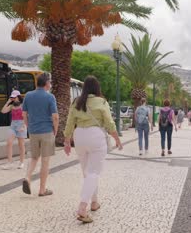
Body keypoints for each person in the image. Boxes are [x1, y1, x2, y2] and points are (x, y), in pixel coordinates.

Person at [63, 76, 122, 224]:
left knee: (87, 173)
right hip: (95, 136)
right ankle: (83, 208)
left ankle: (94, 202)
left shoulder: (76, 102)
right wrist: (117, 138)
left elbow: (70, 122)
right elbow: (109, 122)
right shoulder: (101, 101)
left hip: (79, 137)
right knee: (93, 173)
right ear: (97, 88)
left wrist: (66, 140)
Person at [21, 73, 59, 197]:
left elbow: (24, 115)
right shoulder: (50, 97)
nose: (51, 85)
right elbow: (55, 117)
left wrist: (29, 127)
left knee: (34, 158)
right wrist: (56, 130)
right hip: (47, 131)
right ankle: (42, 190)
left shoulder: (28, 95)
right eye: (50, 82)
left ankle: (27, 177)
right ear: (47, 84)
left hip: (33, 131)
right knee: (45, 160)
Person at [0, 90, 26, 170]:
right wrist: (8, 101)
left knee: (21, 145)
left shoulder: (23, 105)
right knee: (9, 143)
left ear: (18, 97)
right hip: (13, 125)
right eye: (12, 97)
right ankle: (10, 162)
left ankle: (21, 162)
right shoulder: (12, 106)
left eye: (14, 97)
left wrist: (24, 126)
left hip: (21, 125)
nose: (13, 99)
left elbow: (27, 117)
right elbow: (3, 111)